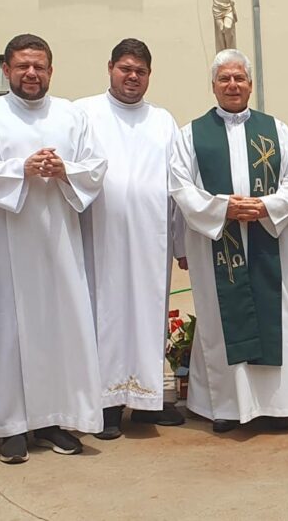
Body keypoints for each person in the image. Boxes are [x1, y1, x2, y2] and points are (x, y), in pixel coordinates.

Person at [0, 34, 106, 463]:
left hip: (57, 240)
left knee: (58, 326)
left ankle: (54, 419)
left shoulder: (71, 115)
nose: (31, 74)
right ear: (6, 70)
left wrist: (65, 170)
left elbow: (95, 166)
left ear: (51, 71)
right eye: (22, 66)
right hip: (3, 244)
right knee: (6, 330)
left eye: (39, 66)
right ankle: (10, 427)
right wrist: (19, 170)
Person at [169, 49, 288, 433]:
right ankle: (229, 409)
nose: (233, 85)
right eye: (224, 79)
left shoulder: (275, 130)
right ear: (213, 86)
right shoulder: (190, 134)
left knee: (274, 317)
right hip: (217, 242)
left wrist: (267, 206)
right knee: (220, 320)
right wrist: (222, 209)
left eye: (239, 78)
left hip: (267, 241)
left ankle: (278, 408)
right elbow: (180, 185)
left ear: (250, 84)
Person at [74, 38, 186, 439]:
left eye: (140, 70)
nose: (132, 76)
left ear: (149, 75)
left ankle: (145, 402)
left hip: (149, 238)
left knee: (148, 312)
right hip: (99, 236)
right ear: (110, 68)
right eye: (125, 68)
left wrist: (181, 243)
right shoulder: (84, 113)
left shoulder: (163, 121)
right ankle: (105, 405)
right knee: (105, 314)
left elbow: (178, 184)